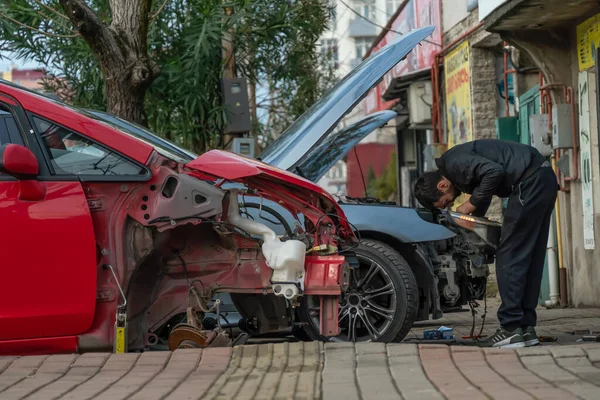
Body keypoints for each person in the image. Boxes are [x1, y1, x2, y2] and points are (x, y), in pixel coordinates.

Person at [413, 139, 559, 348]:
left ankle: (510, 328)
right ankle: (526, 328)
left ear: (442, 185)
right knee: (531, 257)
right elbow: (487, 186)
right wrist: (475, 221)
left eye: (446, 201)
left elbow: (493, 172)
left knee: (509, 256)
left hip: (530, 183)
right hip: (543, 179)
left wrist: (468, 206)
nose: (452, 204)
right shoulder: (458, 164)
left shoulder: (453, 163)